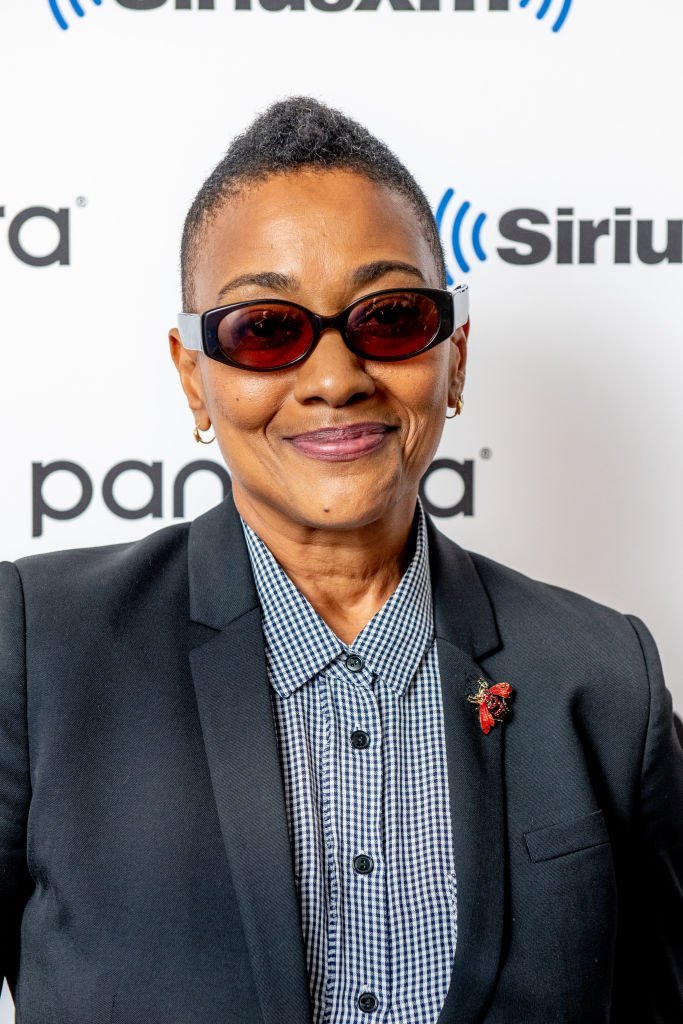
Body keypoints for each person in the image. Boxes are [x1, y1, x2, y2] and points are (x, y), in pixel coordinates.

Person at [1, 96, 681, 1024]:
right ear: (192, 375)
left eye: (390, 316)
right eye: (264, 329)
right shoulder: (35, 650)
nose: (333, 377)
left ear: (455, 356)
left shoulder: (606, 679)